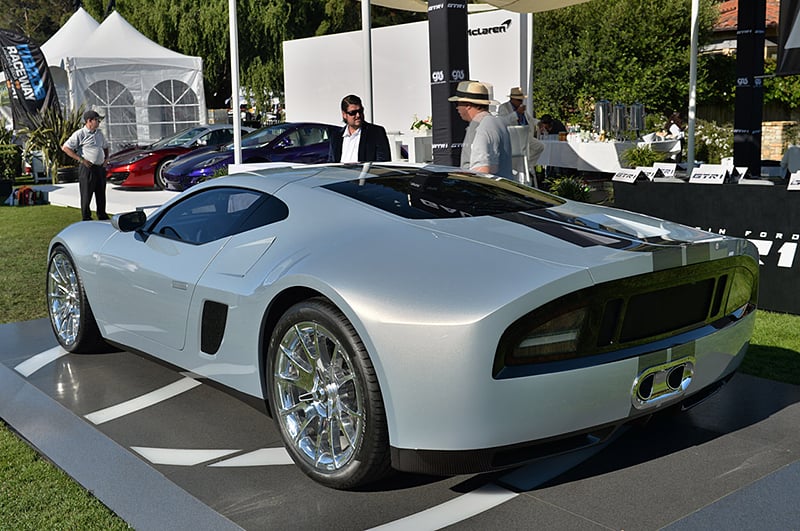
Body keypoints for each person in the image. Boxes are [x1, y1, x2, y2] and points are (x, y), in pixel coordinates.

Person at [448, 80, 513, 180]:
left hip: (489, 191)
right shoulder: (498, 122)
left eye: (457, 103)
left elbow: (482, 170)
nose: (457, 108)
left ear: (468, 105)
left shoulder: (483, 126)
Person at [62, 110, 109, 221]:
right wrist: (81, 159)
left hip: (100, 167)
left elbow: (105, 147)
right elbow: (66, 148)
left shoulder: (99, 134)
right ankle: (86, 216)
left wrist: (106, 159)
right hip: (88, 168)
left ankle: (102, 214)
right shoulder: (80, 134)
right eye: (97, 120)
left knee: (101, 193)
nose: (98, 123)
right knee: (87, 193)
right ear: (89, 121)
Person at [328, 94, 391, 163]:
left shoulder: (375, 132)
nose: (358, 115)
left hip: (365, 173)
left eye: (360, 111)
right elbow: (331, 163)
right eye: (353, 113)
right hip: (341, 173)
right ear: (344, 114)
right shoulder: (336, 136)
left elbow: (383, 163)